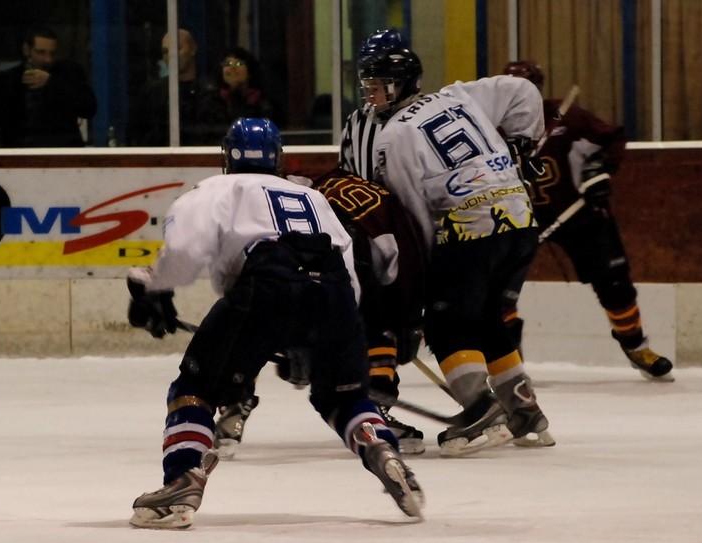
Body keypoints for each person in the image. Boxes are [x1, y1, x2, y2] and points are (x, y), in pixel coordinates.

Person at [126, 118, 424, 529]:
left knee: (195, 387)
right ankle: (381, 448)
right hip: (335, 292)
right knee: (344, 398)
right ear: (277, 157)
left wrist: (152, 289)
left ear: (227, 155)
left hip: (266, 284)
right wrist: (313, 335)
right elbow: (349, 273)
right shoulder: (311, 197)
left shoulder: (215, 189)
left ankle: (181, 479)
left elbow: (182, 252)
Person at [354, 30, 554, 456]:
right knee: (487, 317)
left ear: (402, 84)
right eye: (367, 87)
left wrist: (421, 280)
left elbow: (414, 214)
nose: (371, 95)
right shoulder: (461, 96)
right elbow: (522, 90)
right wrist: (523, 141)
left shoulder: (394, 137)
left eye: (378, 86)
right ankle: (526, 412)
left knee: (447, 324)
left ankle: (481, 413)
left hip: (470, 229)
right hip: (520, 218)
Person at [213, 168, 429, 456]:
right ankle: (374, 411)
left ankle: (234, 404)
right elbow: (363, 270)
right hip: (334, 281)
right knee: (377, 324)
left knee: (248, 324)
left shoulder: (239, 201)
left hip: (282, 281)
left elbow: (233, 272)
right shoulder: (321, 196)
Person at [502, 61, 674, 381]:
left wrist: (598, 173)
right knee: (497, 290)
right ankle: (508, 367)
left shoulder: (567, 118)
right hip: (516, 218)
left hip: (575, 212)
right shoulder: (489, 127)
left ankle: (635, 345)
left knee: (613, 279)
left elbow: (611, 138)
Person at [0, 26, 97, 147]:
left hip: (61, 151)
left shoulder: (69, 74)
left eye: (52, 53)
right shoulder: (6, 80)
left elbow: (89, 108)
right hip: (19, 153)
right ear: (27, 50)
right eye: (40, 52)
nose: (48, 59)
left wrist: (51, 83)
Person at [129, 28, 218, 146]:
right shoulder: (152, 92)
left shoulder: (210, 92)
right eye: (166, 51)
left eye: (177, 48)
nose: (171, 55)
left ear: (193, 49)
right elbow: (137, 135)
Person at [198, 47, 276, 128]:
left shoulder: (263, 103)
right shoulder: (211, 102)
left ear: (250, 72)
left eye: (239, 64)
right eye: (228, 64)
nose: (233, 68)